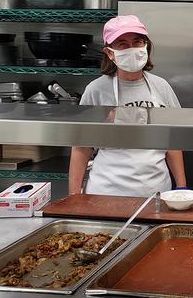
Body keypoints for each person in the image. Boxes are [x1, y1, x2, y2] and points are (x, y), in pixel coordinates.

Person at [68, 15, 186, 197]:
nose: (132, 49)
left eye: (137, 42)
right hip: (106, 192)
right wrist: (74, 197)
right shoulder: (96, 90)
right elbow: (81, 148)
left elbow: (173, 142)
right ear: (110, 53)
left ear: (146, 46)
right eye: (122, 44)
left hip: (155, 192)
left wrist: (181, 187)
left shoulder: (161, 87)